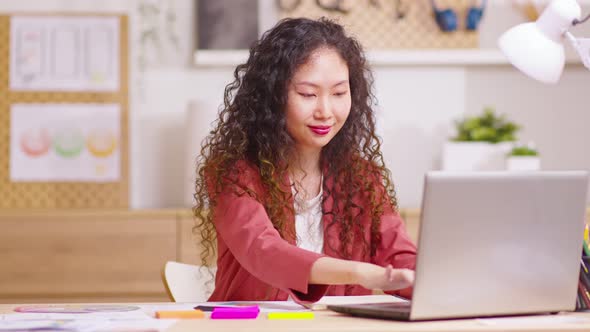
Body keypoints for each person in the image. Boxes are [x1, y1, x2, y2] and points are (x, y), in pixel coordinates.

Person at [193, 17, 417, 304]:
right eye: (308, 94)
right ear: (273, 97)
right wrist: (361, 273)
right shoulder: (236, 173)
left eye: (339, 93)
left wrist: (432, 277)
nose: (326, 111)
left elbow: (400, 256)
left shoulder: (360, 175)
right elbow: (264, 251)